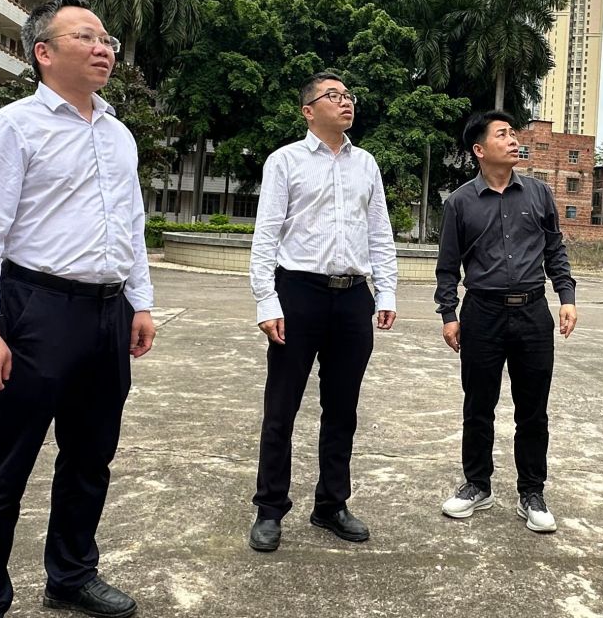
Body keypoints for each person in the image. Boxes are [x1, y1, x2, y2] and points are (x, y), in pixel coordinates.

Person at [0, 0, 158, 618]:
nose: (104, 48)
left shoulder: (117, 135)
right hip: (36, 307)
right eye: (86, 37)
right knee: (6, 465)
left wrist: (140, 302)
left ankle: (71, 574)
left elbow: (131, 223)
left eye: (107, 38)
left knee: (91, 457)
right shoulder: (11, 128)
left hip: (106, 312)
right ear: (44, 52)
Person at [246, 71, 399, 553]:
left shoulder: (366, 163)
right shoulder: (285, 161)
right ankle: (270, 508)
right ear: (308, 111)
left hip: (352, 297)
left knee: (342, 408)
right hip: (298, 294)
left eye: (348, 95)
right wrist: (266, 299)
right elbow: (266, 234)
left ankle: (331, 504)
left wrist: (386, 292)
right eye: (333, 96)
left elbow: (379, 232)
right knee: (282, 407)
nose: (345, 102)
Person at [434, 111, 578, 533]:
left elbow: (555, 250)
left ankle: (532, 492)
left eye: (514, 134)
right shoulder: (460, 202)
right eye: (503, 135)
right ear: (480, 149)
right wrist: (449, 314)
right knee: (478, 405)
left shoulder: (539, 193)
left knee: (532, 410)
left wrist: (566, 297)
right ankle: (477, 485)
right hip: (482, 313)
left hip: (533, 312)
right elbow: (447, 266)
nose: (514, 140)